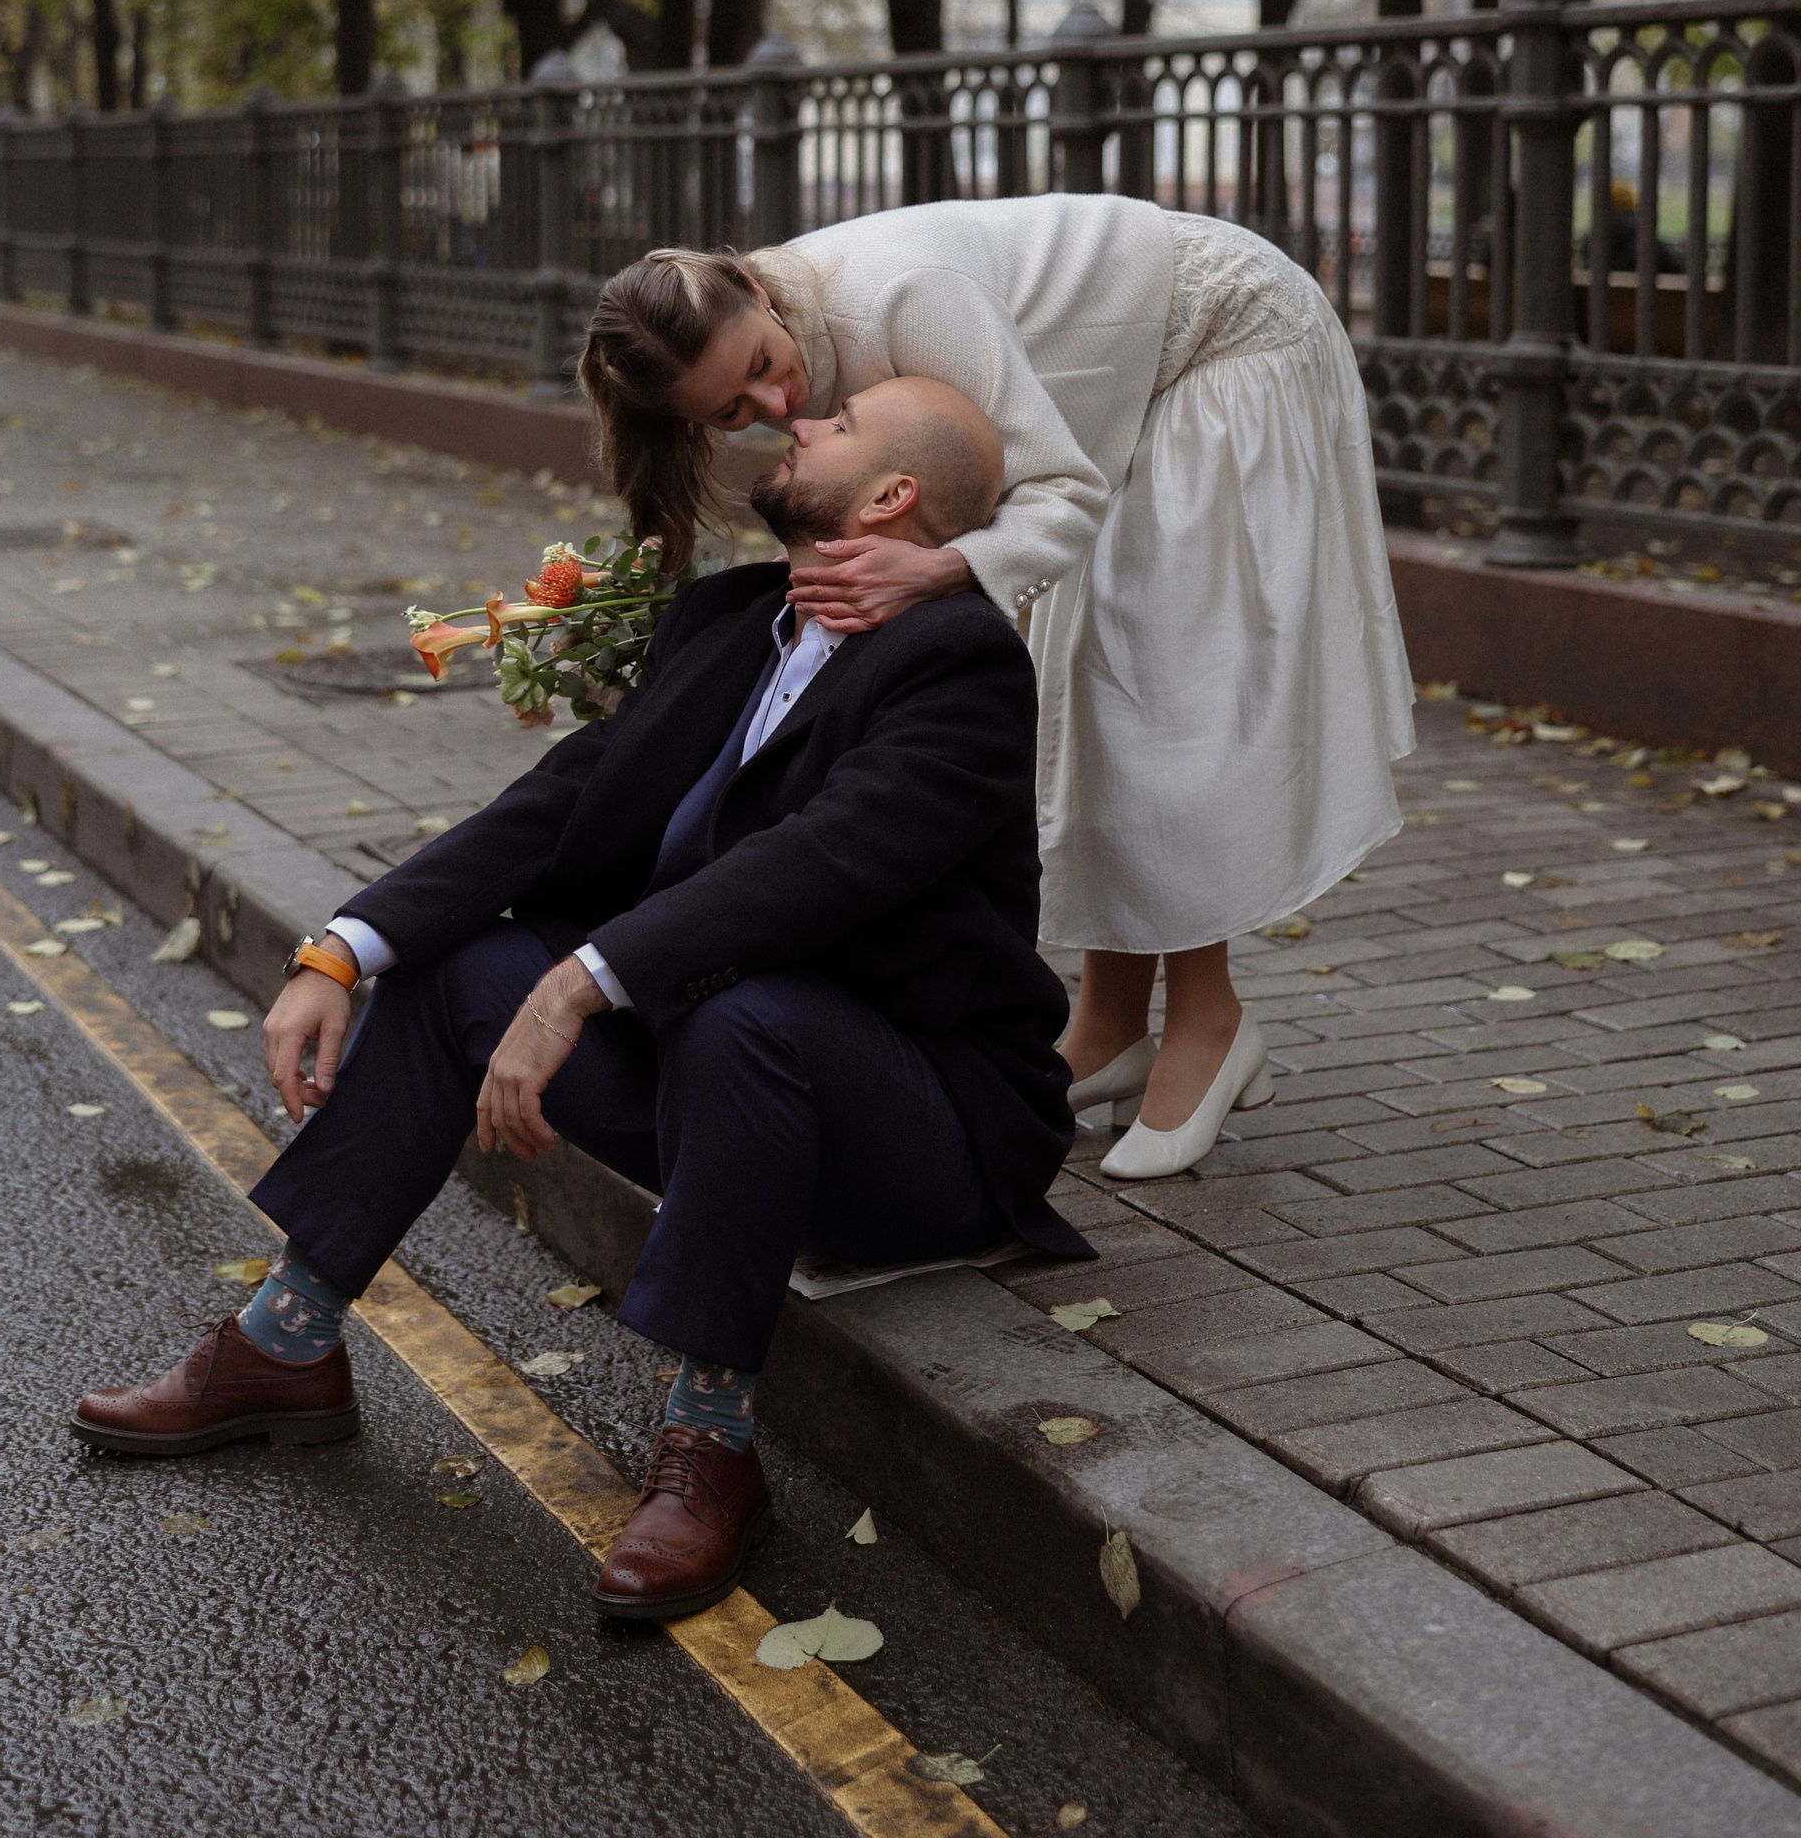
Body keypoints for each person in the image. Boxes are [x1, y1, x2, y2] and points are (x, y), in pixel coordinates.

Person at [72, 377, 1090, 1622]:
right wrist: (341, 950)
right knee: (458, 969)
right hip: (722, 1075)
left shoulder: (961, 664)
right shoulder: (733, 619)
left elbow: (821, 866)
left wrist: (581, 981)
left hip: (918, 1127)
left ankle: (711, 1442)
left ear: (890, 497)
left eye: (835, 427)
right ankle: (285, 1343)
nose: (798, 424)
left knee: (747, 1013)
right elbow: (565, 798)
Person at [579, 195, 1415, 1180]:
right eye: (732, 413)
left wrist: (942, 569)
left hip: (1225, 336)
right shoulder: (774, 335)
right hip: (1120, 388)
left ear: (756, 290)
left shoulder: (905, 294)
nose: (776, 405)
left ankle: (1211, 1023)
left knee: (1167, 688)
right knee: (1092, 694)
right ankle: (1110, 1024)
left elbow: (1058, 487)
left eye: (764, 365)